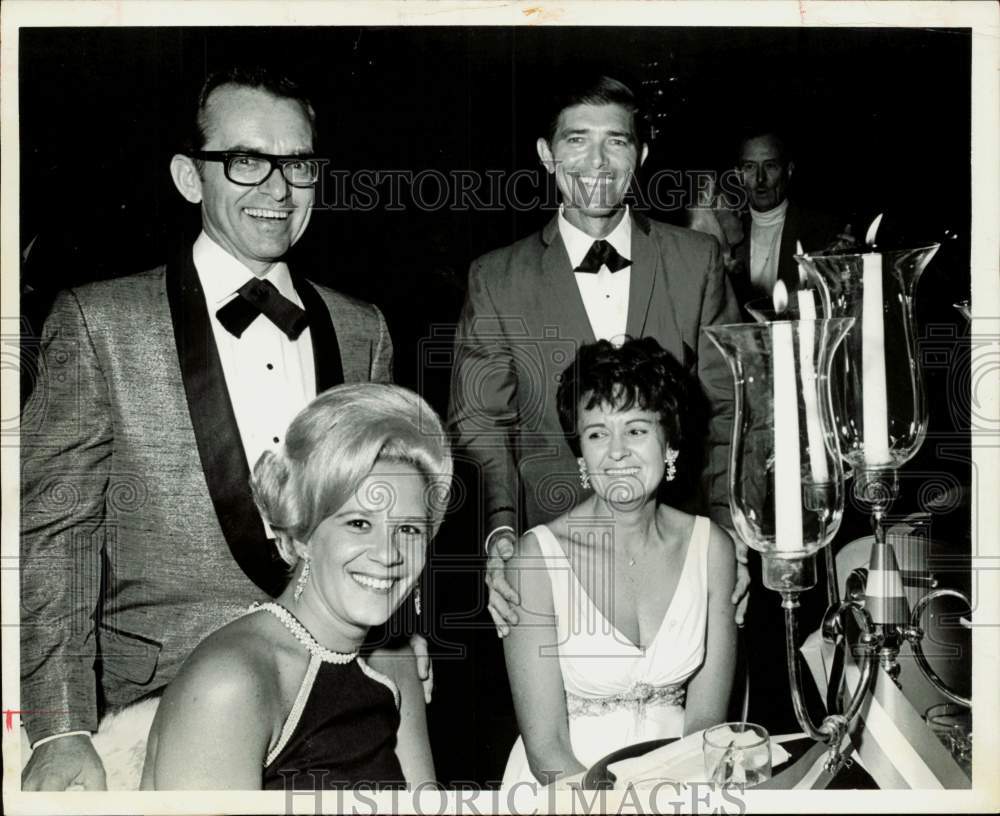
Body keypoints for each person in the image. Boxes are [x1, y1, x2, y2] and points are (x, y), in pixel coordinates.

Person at [20, 66, 399, 791]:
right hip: (159, 714)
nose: (278, 190)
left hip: (337, 704)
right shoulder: (101, 324)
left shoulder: (363, 330)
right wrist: (61, 729)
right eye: (246, 161)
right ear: (190, 177)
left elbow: (380, 520)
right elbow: (51, 538)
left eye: (297, 164)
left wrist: (401, 656)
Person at [448, 75, 748, 641]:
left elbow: (732, 410)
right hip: (553, 557)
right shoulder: (497, 277)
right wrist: (501, 531)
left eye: (616, 141)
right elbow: (481, 423)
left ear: (641, 155)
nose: (597, 161)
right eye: (576, 139)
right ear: (546, 154)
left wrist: (731, 529)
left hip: (684, 553)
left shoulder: (697, 260)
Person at [141, 384, 451, 789]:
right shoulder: (231, 682)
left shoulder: (394, 661)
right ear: (302, 532)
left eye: (408, 529)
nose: (388, 553)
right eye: (359, 523)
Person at [501, 338, 737, 785]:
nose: (616, 452)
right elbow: (545, 745)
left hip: (683, 783)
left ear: (669, 442)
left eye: (635, 430)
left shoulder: (713, 549)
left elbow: (707, 722)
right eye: (596, 434)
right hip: (566, 788)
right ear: (581, 455)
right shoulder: (536, 559)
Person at [729, 128, 855, 311]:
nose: (760, 178)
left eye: (770, 166)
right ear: (738, 174)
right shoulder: (728, 233)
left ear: (788, 170)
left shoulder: (824, 230)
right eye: (750, 167)